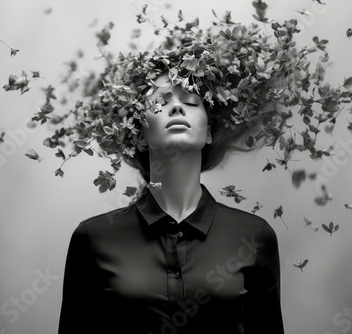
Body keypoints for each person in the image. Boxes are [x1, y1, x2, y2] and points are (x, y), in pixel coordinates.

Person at [57, 71, 285, 333]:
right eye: (161, 101)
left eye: (190, 101)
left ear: (209, 132)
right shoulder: (93, 239)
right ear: (140, 134)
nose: (176, 106)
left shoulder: (254, 237)